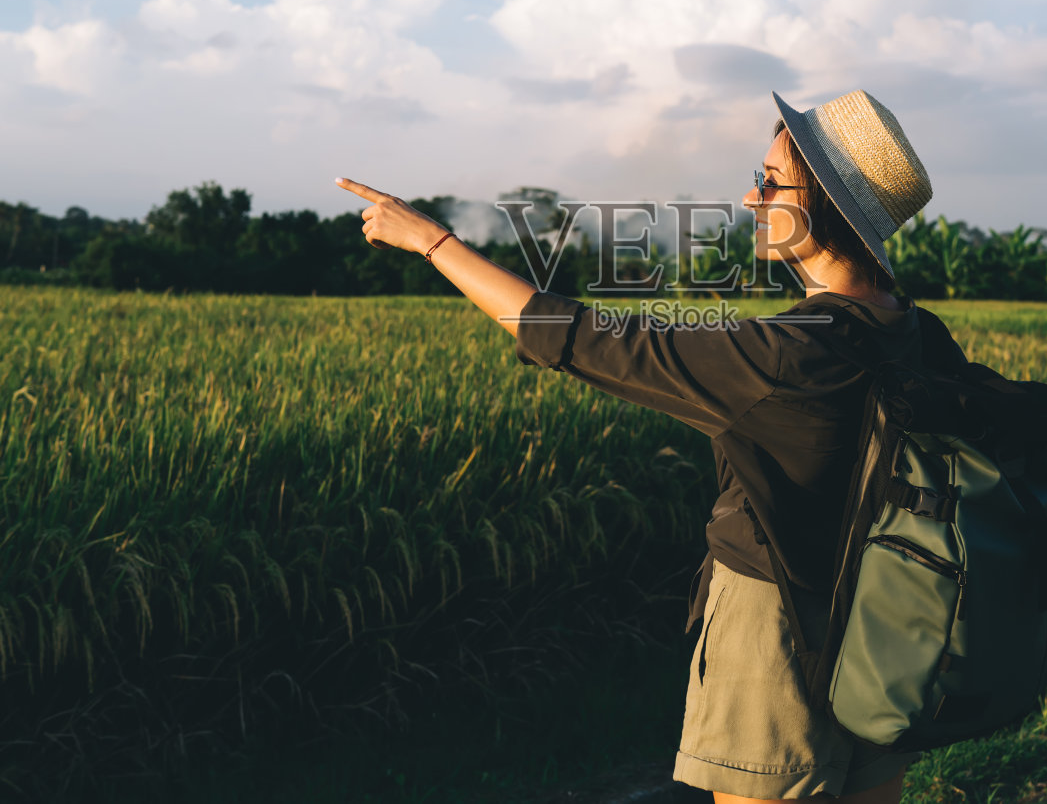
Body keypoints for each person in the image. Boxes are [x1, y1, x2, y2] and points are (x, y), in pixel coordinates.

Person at [336, 89, 968, 803]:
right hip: (886, 626)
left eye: (769, 181)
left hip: (779, 640)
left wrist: (431, 242)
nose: (750, 197)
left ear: (822, 203)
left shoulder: (784, 356)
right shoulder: (919, 336)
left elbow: (575, 336)